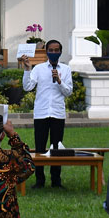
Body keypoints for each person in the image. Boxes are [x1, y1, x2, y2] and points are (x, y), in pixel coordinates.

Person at [21, 38, 72, 189]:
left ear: (61, 52)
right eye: (51, 50)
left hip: (57, 113)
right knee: (40, 147)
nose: (54, 53)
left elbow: (68, 92)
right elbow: (28, 87)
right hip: (41, 113)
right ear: (46, 52)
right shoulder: (39, 69)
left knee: (56, 147)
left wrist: (59, 81)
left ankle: (56, 181)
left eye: (57, 50)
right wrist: (27, 69)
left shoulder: (66, 69)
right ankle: (40, 180)